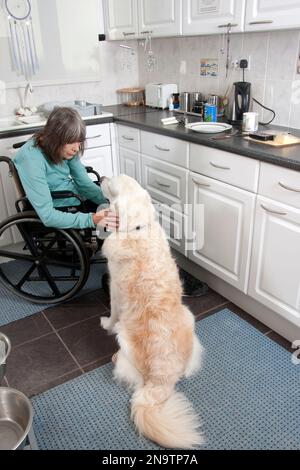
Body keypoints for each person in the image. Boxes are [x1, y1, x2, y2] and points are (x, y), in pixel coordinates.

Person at [14, 107, 118, 231]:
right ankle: (106, 245)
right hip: (52, 207)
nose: (77, 148)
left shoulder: (63, 146)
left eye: (79, 142)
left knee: (113, 207)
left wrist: (112, 201)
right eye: (72, 142)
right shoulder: (31, 159)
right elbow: (48, 216)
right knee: (111, 219)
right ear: (55, 139)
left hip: (71, 195)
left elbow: (84, 184)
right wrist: (92, 219)